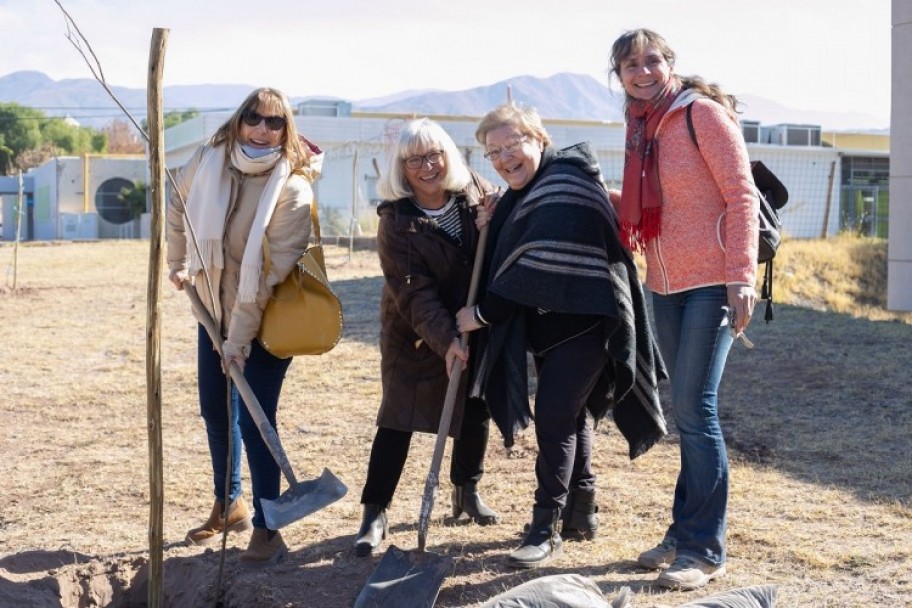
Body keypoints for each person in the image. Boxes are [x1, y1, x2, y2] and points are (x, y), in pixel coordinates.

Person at [455, 103, 666, 569]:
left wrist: (482, 315)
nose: (505, 158)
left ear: (540, 140)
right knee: (572, 417)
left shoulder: (563, 185)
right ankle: (580, 513)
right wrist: (493, 220)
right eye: (494, 152)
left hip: (587, 322)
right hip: (550, 327)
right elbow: (513, 249)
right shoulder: (522, 193)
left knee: (554, 417)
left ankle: (544, 527)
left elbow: (529, 269)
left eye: (514, 145)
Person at [608, 28, 760, 590]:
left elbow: (741, 195)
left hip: (713, 281)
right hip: (664, 282)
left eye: (652, 61)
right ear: (620, 76)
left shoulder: (701, 115)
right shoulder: (640, 126)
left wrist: (742, 277)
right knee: (688, 413)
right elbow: (658, 206)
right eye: (630, 65)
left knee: (698, 412)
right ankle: (682, 532)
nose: (642, 71)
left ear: (669, 64)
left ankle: (704, 549)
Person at [167, 87, 321, 567]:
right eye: (254, 117)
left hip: (265, 322)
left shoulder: (292, 188)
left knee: (257, 420)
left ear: (285, 130)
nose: (261, 129)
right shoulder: (209, 160)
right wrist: (178, 264)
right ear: (239, 119)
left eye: (274, 123)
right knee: (216, 412)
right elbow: (177, 205)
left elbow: (265, 280)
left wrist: (237, 342)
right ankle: (227, 502)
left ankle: (267, 526)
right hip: (212, 312)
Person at [353, 118, 501, 557]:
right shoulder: (397, 221)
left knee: (475, 406)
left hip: (473, 318)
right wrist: (444, 338)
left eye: (434, 154)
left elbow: (506, 213)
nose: (427, 166)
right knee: (398, 416)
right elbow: (413, 293)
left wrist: (494, 215)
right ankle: (374, 512)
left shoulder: (474, 190)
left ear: (448, 155)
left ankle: (465, 490)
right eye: (414, 159)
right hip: (414, 328)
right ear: (402, 168)